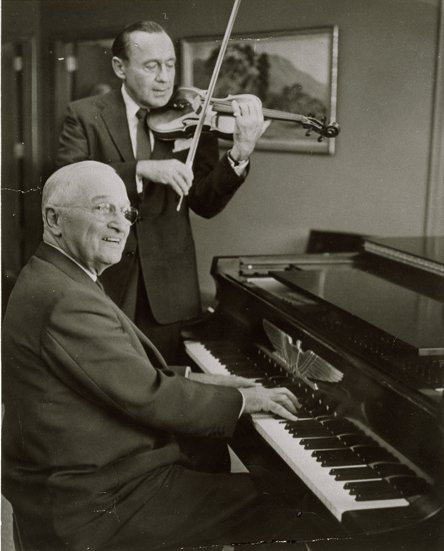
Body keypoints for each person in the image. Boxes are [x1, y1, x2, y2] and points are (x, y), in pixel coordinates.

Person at [2, 161, 332, 551]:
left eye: (126, 213)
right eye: (102, 208)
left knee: (213, 456)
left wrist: (205, 380)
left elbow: (118, 372)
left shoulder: (56, 277)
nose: (121, 224)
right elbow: (147, 394)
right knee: (297, 501)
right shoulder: (66, 300)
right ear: (54, 219)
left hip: (79, 479)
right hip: (99, 501)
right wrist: (245, 399)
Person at [56, 20, 265, 363]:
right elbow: (65, 183)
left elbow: (205, 202)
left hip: (168, 290)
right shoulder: (84, 115)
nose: (165, 77)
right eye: (151, 66)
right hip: (103, 280)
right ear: (120, 67)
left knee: (165, 391)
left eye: (170, 65)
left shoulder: (194, 116)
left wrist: (239, 153)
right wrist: (141, 168)